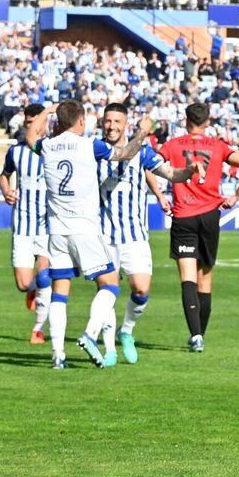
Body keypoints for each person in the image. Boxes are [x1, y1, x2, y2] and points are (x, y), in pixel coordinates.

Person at [38, 99, 150, 370]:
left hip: (57, 230)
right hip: (85, 229)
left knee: (59, 293)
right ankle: (90, 334)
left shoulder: (46, 146)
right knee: (110, 284)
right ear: (81, 121)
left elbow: (31, 135)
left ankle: (58, 356)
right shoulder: (90, 145)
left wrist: (46, 111)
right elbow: (124, 154)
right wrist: (143, 132)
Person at [97, 101, 195, 363]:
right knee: (107, 292)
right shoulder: (95, 148)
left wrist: (190, 171)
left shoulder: (144, 152)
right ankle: (109, 349)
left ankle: (126, 331)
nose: (111, 126)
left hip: (135, 234)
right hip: (103, 234)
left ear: (125, 124)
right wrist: (141, 134)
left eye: (117, 121)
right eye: (108, 121)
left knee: (141, 290)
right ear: (101, 123)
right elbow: (122, 155)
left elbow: (171, 173)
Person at [157, 102, 239, 353]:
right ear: (207, 122)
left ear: (185, 120)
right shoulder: (218, 146)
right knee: (205, 277)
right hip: (211, 215)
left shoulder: (173, 145)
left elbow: (150, 165)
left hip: (183, 215)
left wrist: (160, 195)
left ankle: (196, 335)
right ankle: (200, 335)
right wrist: (236, 196)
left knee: (187, 277)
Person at [0, 102, 52, 342]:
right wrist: (6, 190)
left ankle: (38, 329)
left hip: (48, 225)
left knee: (44, 277)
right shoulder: (16, 152)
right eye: (29, 123)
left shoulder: (55, 149)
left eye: (37, 121)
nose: (34, 126)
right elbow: (4, 175)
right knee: (23, 283)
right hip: (22, 225)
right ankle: (31, 293)